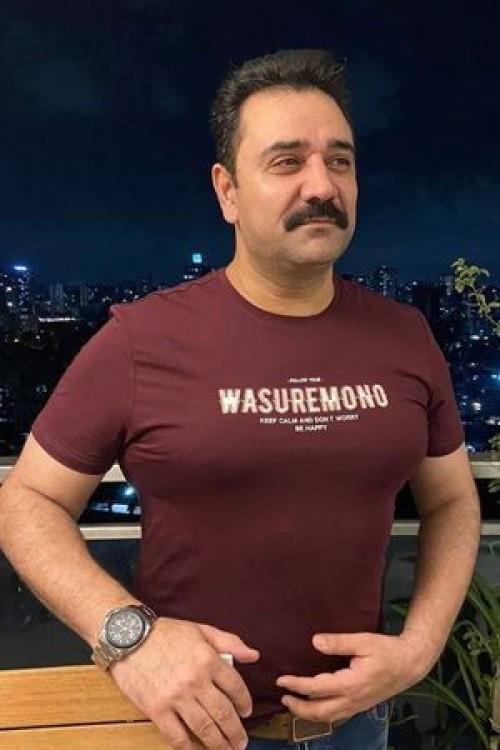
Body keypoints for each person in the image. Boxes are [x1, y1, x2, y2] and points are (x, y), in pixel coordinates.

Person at [0, 49, 480, 750]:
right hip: (189, 728)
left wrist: (421, 646)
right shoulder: (141, 339)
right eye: (287, 161)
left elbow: (453, 500)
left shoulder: (406, 336)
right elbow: (27, 501)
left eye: (340, 161)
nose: (322, 184)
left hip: (358, 723)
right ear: (227, 191)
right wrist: (131, 638)